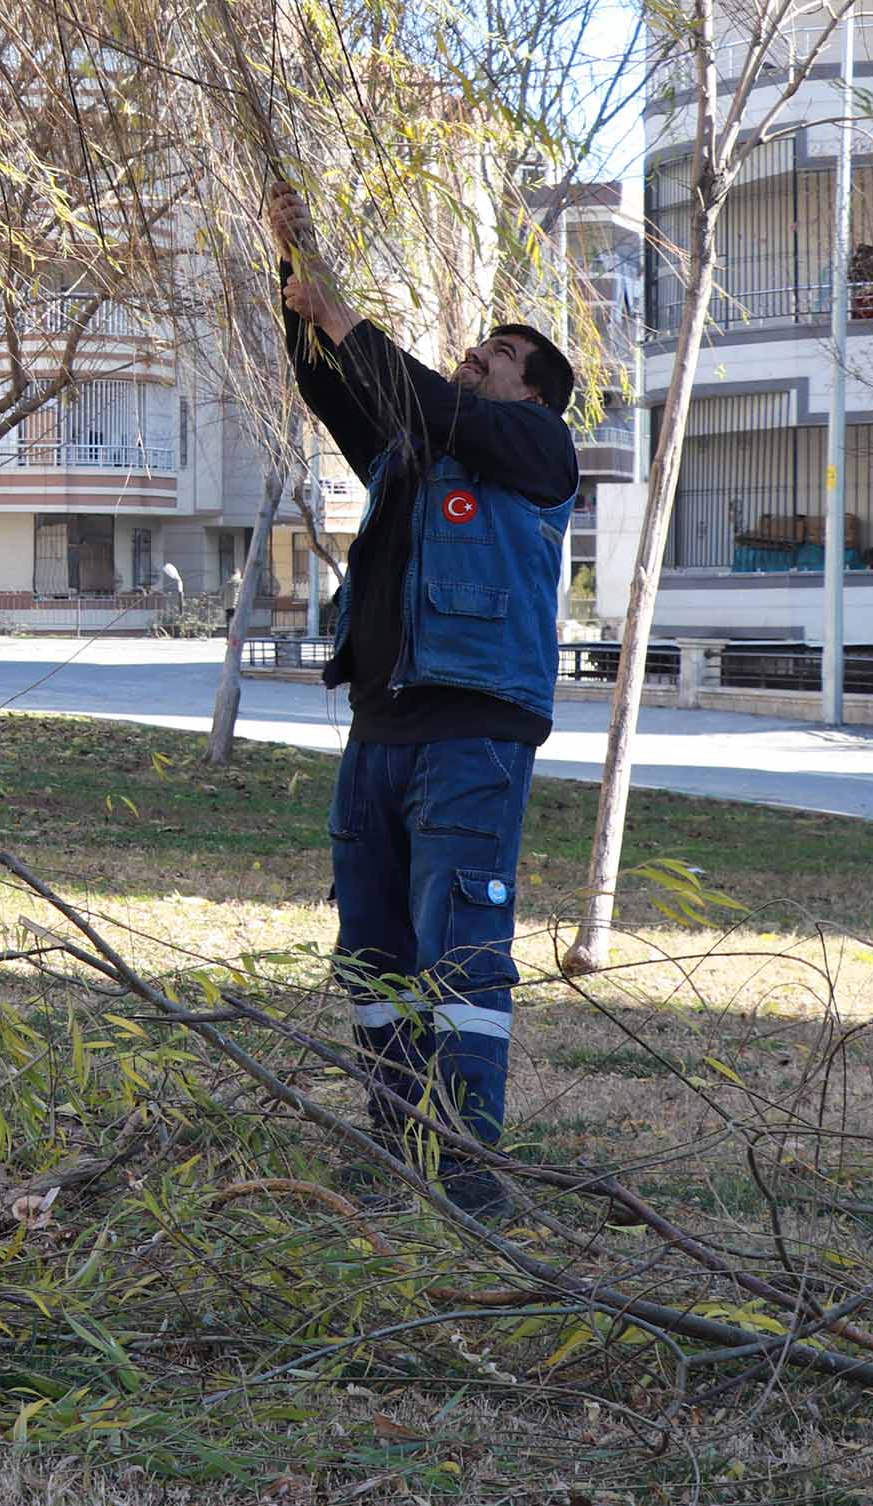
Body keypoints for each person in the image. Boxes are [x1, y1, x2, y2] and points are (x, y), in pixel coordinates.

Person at [270, 182, 578, 1219]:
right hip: (382, 730)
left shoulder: (539, 455)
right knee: (375, 952)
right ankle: (400, 1145)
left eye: (496, 356)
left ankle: (467, 1165)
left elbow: (427, 396)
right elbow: (335, 390)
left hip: (473, 733)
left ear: (530, 394)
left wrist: (347, 318)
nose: (472, 359)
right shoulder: (415, 452)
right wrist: (294, 274)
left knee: (463, 953)